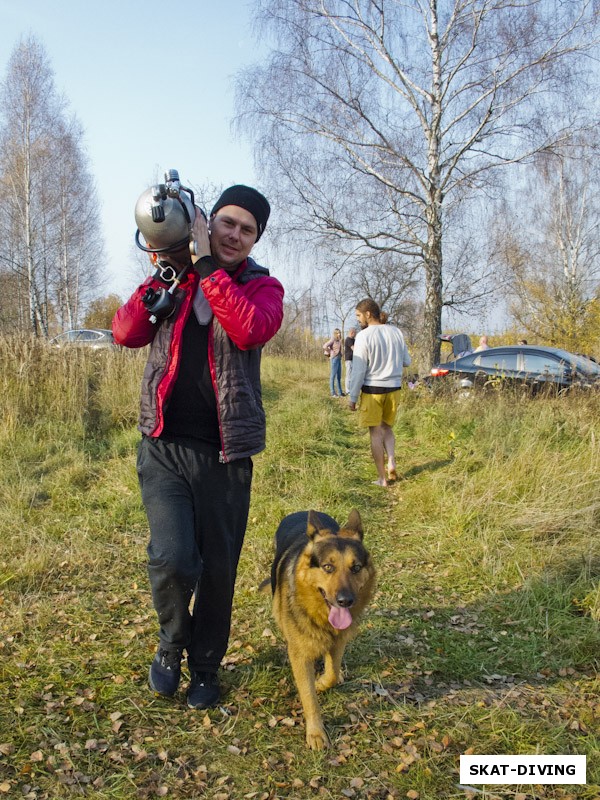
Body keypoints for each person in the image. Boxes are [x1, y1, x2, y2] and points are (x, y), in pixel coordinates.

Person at [112, 184, 284, 710]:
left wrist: (208, 265)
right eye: (227, 222)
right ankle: (171, 645)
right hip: (163, 444)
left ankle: (206, 669)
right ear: (209, 222)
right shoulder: (178, 277)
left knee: (218, 568)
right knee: (173, 557)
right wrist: (165, 274)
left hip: (226, 455)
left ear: (255, 239)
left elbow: (249, 329)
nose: (234, 234)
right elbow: (125, 333)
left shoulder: (263, 288)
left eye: (246, 229)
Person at [348, 299, 411, 487]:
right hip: (394, 388)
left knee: (375, 433)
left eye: (359, 315)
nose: (358, 320)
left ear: (368, 314)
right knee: (387, 428)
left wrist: (352, 396)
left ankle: (382, 479)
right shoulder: (396, 332)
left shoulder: (364, 336)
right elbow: (407, 361)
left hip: (372, 390)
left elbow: (359, 370)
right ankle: (391, 462)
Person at [323, 328, 344, 396]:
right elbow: (324, 346)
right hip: (334, 359)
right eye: (337, 333)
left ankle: (340, 392)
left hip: (339, 359)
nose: (339, 334)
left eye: (339, 332)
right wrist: (330, 352)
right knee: (333, 376)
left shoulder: (339, 340)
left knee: (339, 376)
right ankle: (332, 392)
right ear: (335, 334)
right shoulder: (333, 339)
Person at [344, 327, 356, 396]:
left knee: (352, 375)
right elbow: (353, 348)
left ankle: (351, 389)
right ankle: (347, 390)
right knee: (348, 375)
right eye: (355, 333)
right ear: (352, 333)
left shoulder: (353, 340)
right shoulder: (348, 340)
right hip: (349, 359)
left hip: (353, 359)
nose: (355, 335)